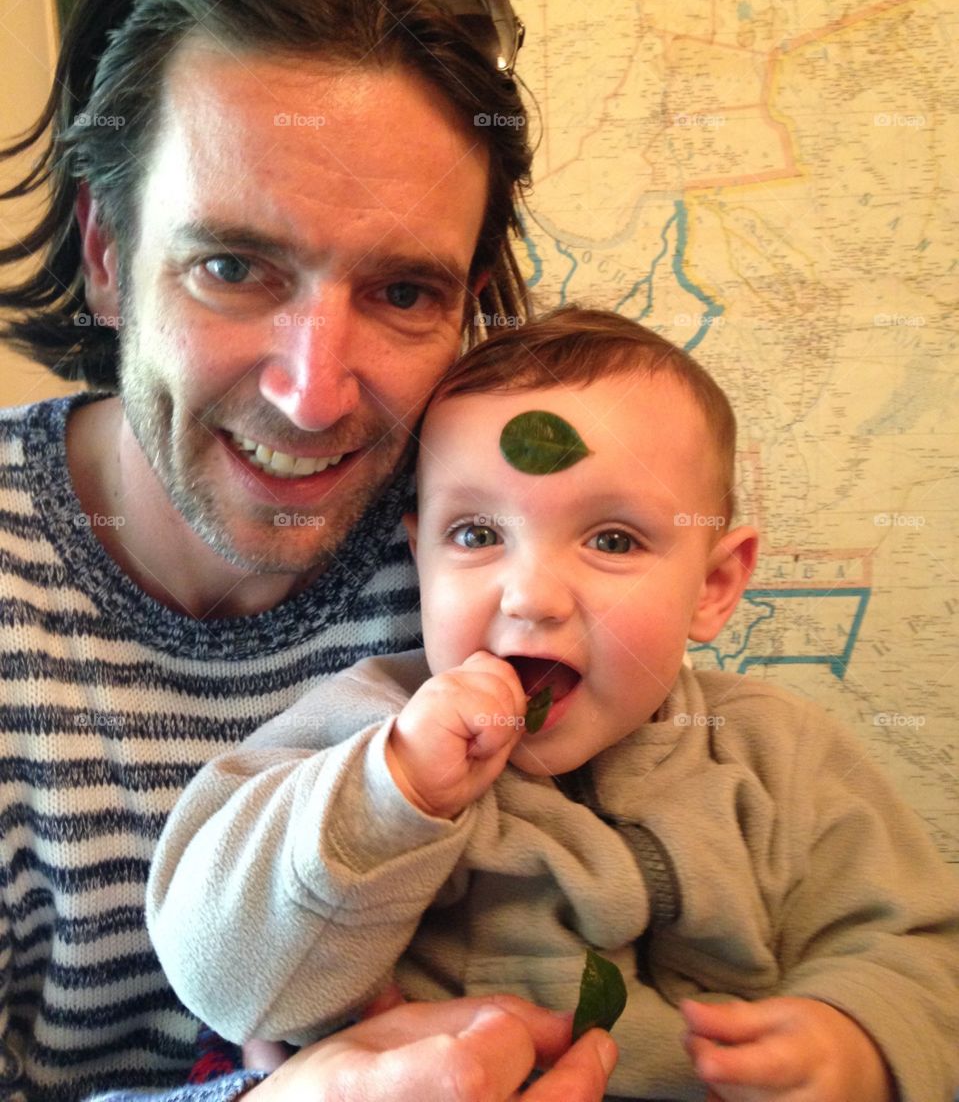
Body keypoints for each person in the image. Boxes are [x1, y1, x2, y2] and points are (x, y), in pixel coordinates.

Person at [0, 0, 615, 1101]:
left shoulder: (502, 562)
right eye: (233, 265)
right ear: (108, 256)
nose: (314, 394)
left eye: (400, 292)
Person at [147, 307, 959, 1102]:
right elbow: (216, 975)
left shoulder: (776, 756)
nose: (530, 595)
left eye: (611, 540)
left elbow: (918, 950)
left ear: (712, 587)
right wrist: (388, 796)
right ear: (419, 556)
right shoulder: (362, 730)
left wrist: (856, 1038)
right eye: (473, 534)